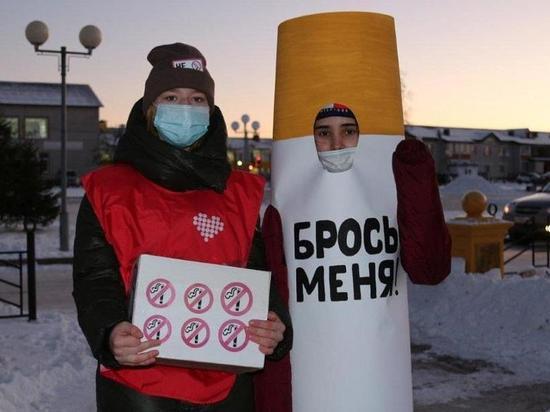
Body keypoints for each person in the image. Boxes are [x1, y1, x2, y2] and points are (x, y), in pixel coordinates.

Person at [72, 42, 292, 412]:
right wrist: (109, 332)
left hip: (227, 384)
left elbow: (256, 274)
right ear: (150, 109)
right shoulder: (109, 190)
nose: (185, 109)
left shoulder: (239, 192)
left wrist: (275, 325)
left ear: (211, 109)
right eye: (171, 97)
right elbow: (94, 279)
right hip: (140, 385)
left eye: (197, 99)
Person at [262, 102, 451, 410]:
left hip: (379, 375)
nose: (337, 144)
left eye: (349, 131)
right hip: (311, 377)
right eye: (324, 133)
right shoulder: (278, 212)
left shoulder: (396, 184)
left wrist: (416, 181)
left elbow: (430, 269)